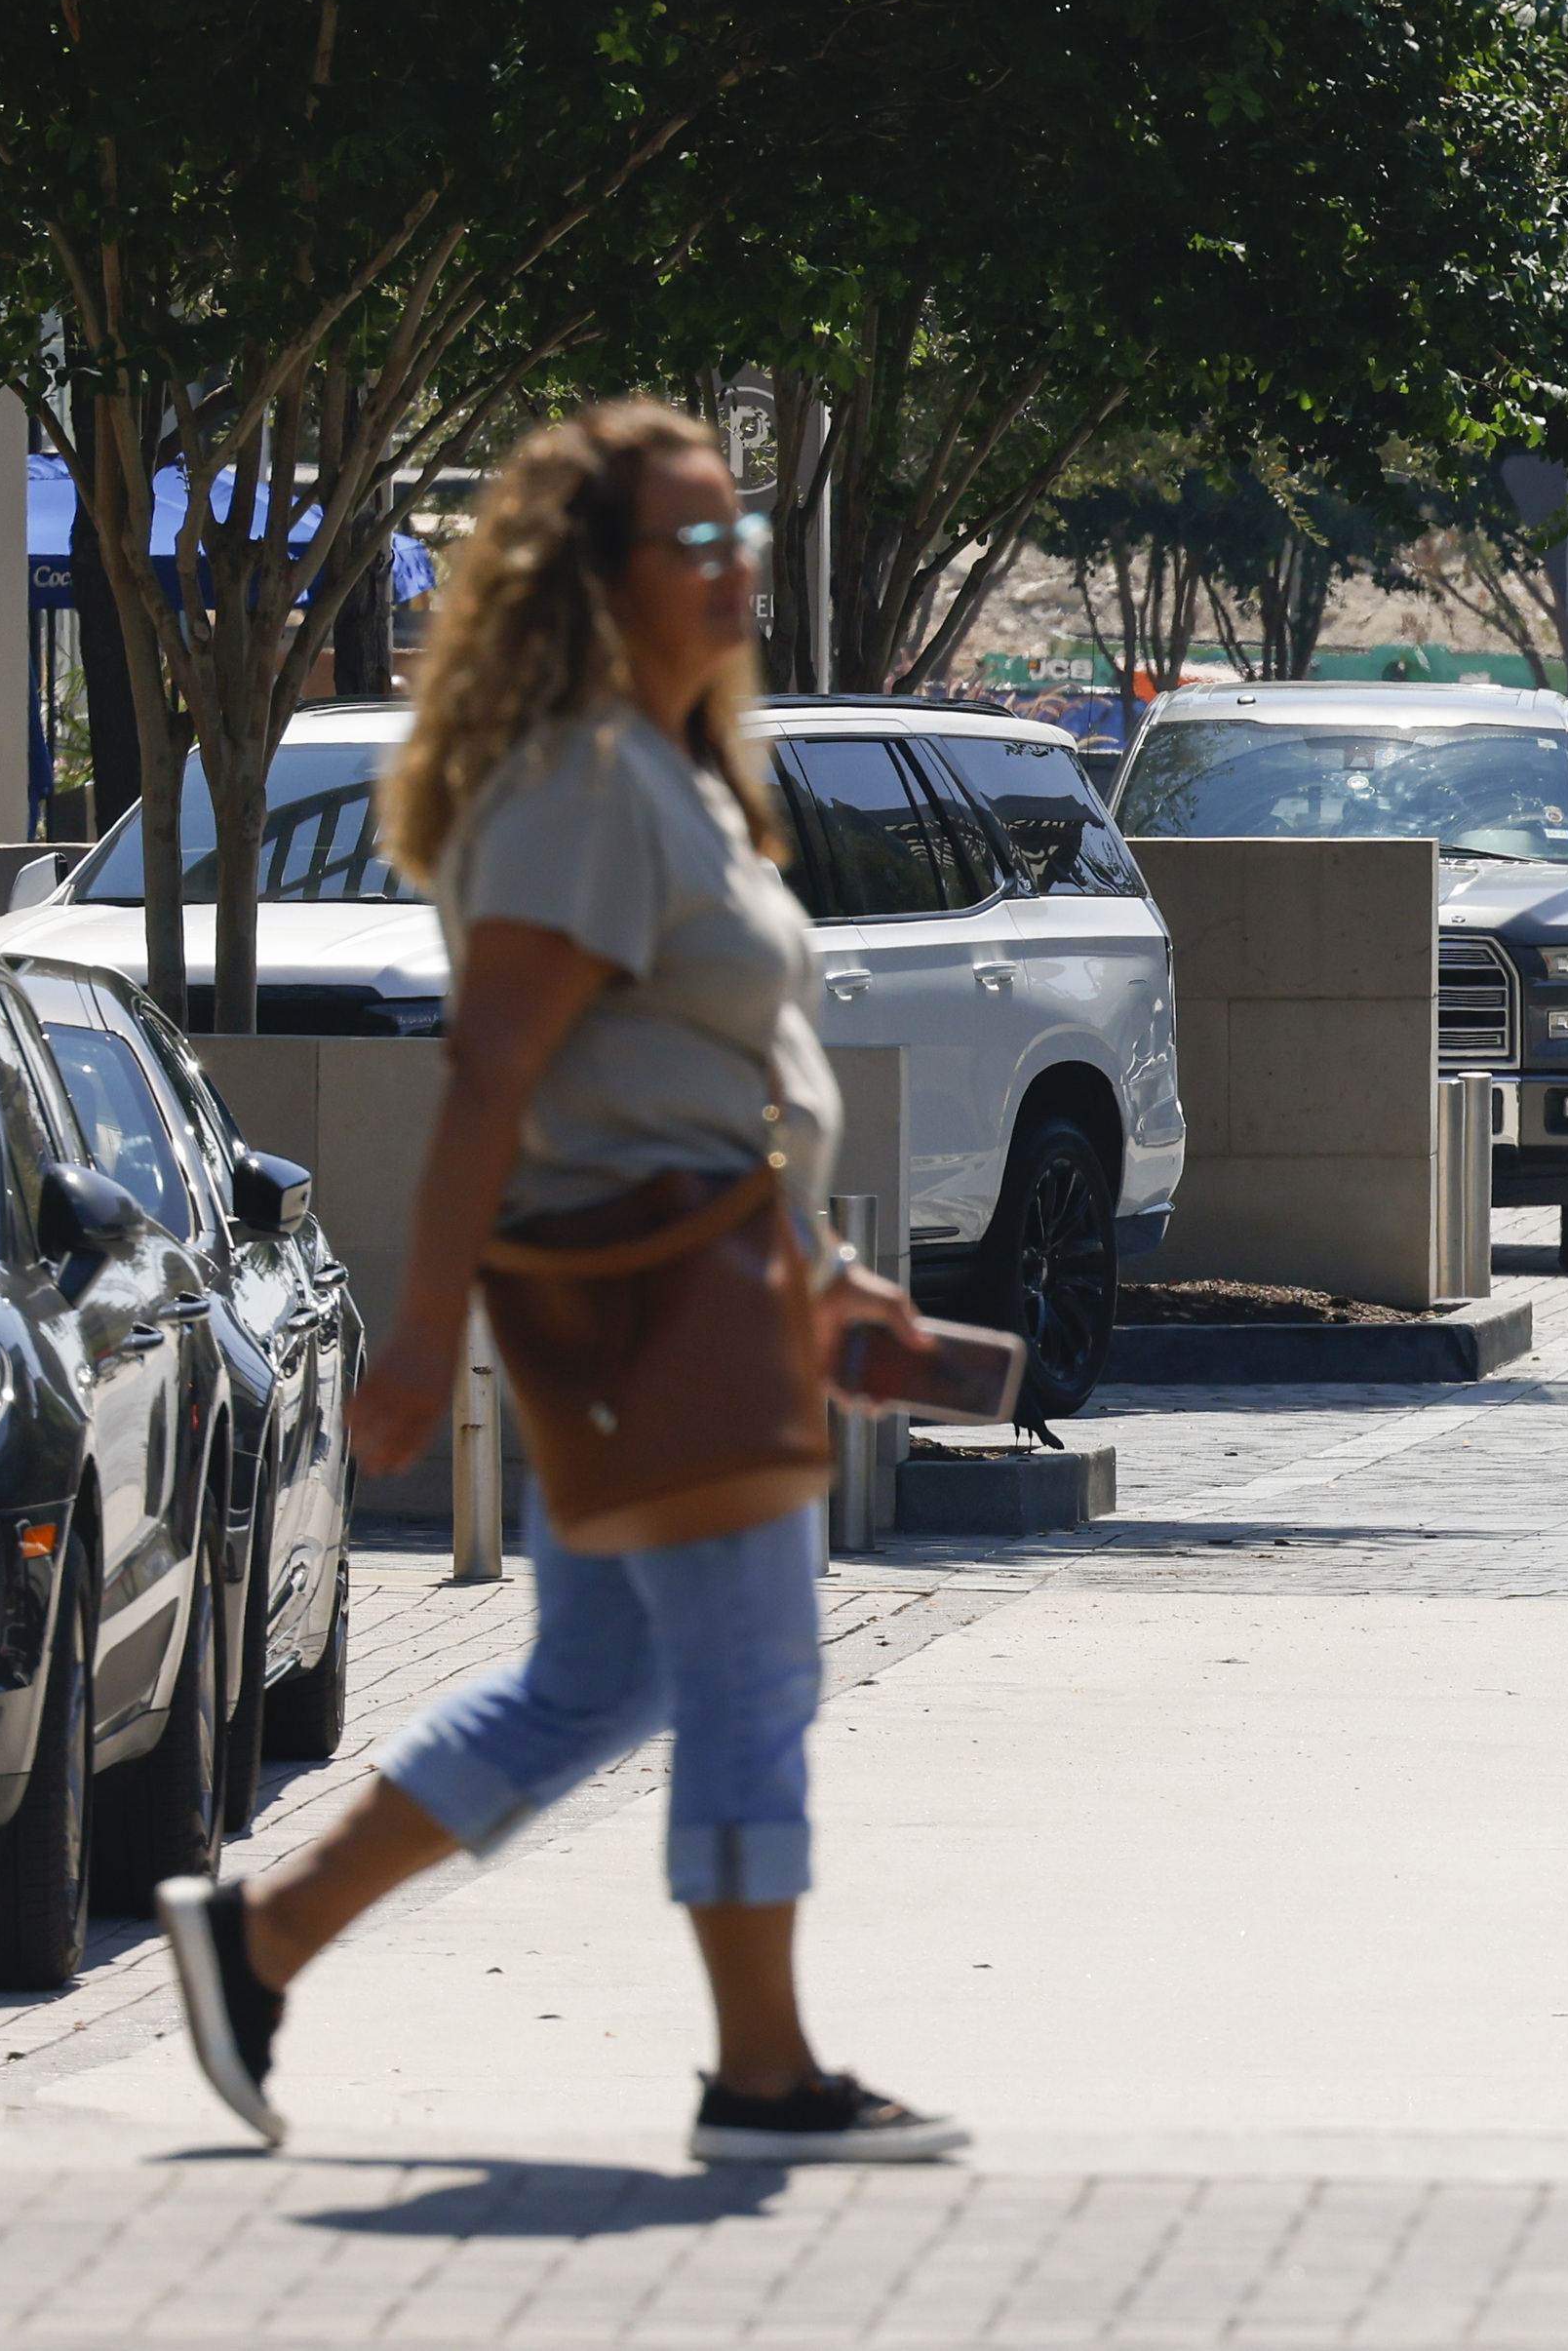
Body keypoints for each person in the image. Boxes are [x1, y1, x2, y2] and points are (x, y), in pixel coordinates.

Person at [153, 399, 962, 2164]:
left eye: (735, 530)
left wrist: (825, 1278)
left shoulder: (665, 770)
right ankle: (763, 2073)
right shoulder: (585, 780)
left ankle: (263, 1934)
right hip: (642, 1302)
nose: (732, 562)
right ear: (592, 584)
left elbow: (696, 1071)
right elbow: (494, 1069)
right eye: (691, 539)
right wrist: (419, 1330)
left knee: (590, 1680)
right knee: (755, 1673)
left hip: (709, 1281)